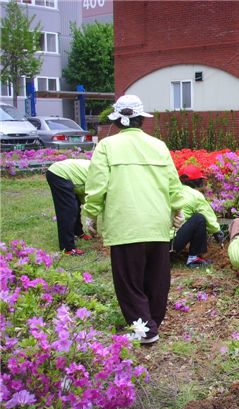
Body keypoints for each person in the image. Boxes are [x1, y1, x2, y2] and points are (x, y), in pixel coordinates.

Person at [82, 94, 186, 345]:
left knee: (129, 280)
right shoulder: (159, 145)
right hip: (157, 223)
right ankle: (152, 322)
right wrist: (178, 209)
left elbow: (97, 186)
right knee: (157, 278)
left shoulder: (107, 146)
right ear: (141, 119)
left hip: (125, 224)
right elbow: (173, 183)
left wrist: (90, 214)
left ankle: (146, 329)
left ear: (116, 120)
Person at [173, 165, 224, 267]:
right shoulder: (195, 195)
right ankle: (193, 258)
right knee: (199, 218)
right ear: (198, 181)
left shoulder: (172, 191)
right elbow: (208, 217)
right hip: (173, 244)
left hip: (159, 244)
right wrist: (217, 231)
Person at [46, 158, 91, 255]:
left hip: (70, 176)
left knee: (75, 205)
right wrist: (92, 217)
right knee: (68, 210)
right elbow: (91, 198)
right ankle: (68, 248)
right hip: (59, 174)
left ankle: (78, 233)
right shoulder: (100, 177)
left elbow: (84, 194)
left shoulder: (101, 172)